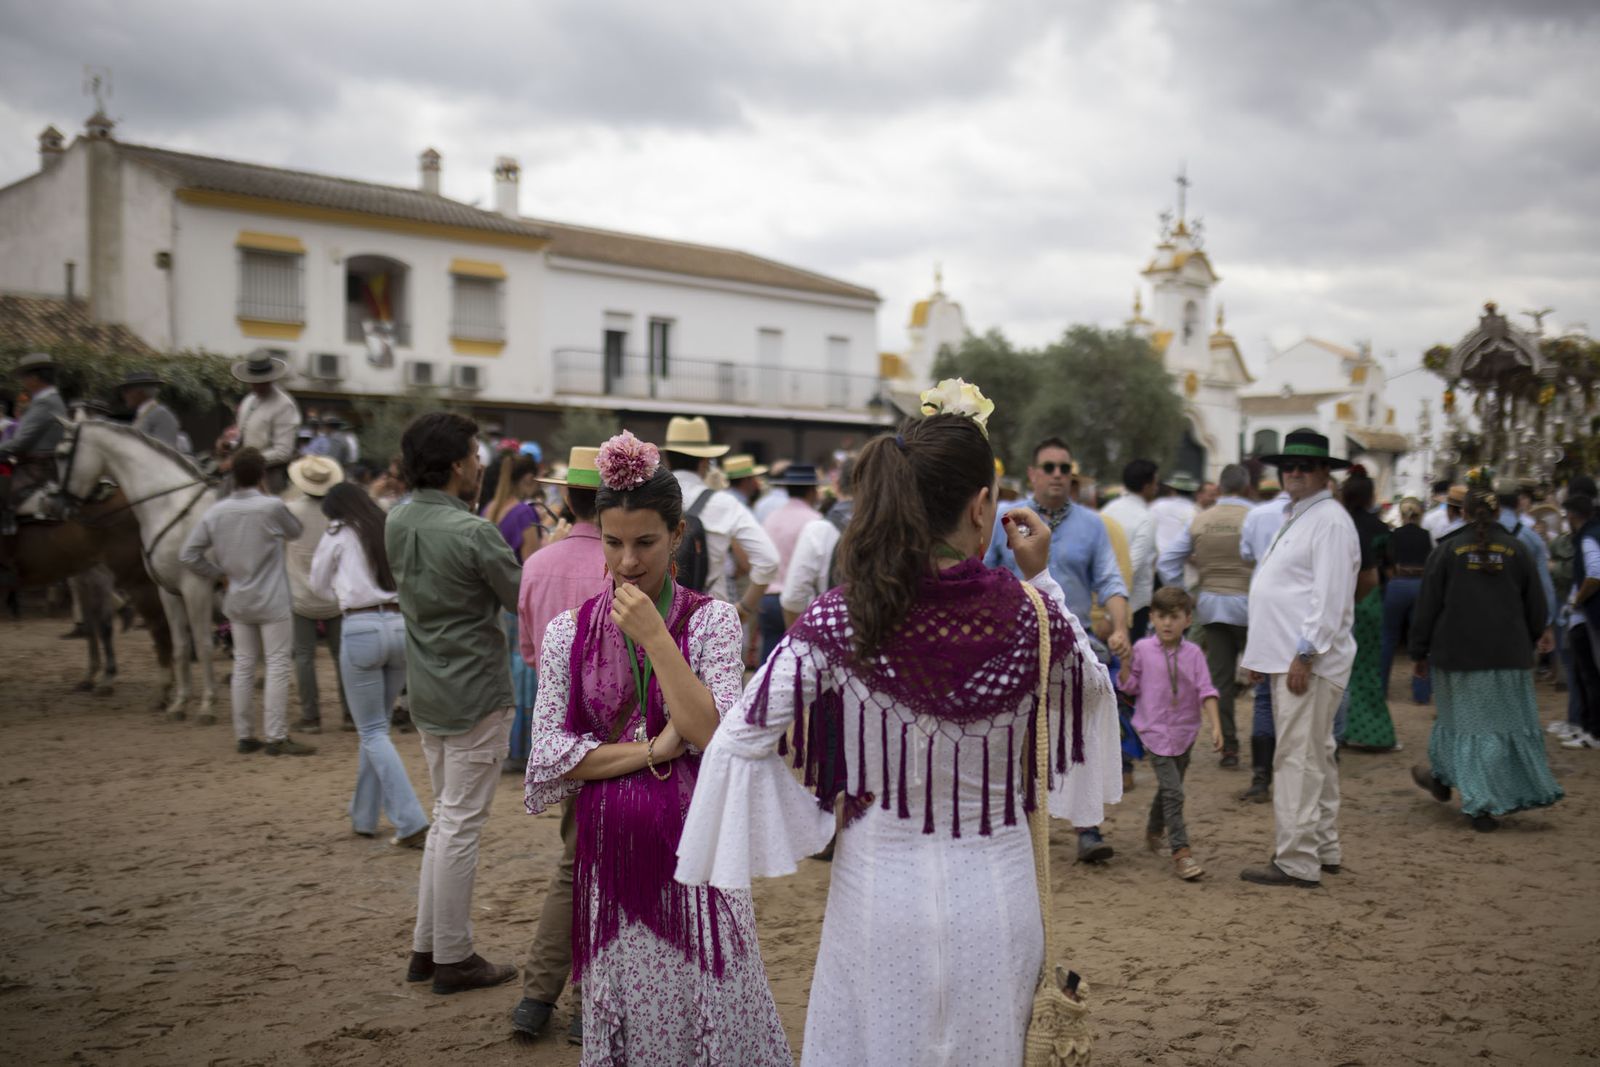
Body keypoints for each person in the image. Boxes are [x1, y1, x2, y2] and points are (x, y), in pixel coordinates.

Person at [675, 386, 1122, 1065]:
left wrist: (815, 812)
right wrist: (1047, 579)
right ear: (982, 506)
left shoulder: (839, 618)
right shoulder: (1036, 616)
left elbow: (739, 739)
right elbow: (1093, 691)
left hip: (877, 894)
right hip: (997, 904)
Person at [522, 431, 791, 1065]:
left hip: (698, 862)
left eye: (645, 543)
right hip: (611, 863)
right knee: (633, 1023)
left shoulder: (713, 622)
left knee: (712, 1008)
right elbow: (550, 759)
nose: (627, 561)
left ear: (677, 537)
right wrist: (653, 752)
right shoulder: (568, 633)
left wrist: (657, 640)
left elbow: (712, 735)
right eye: (613, 543)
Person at [386, 412, 522, 995]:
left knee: (447, 820)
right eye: (474, 454)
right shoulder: (472, 532)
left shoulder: (397, 518)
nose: (480, 464)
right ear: (457, 464)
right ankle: (453, 956)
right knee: (459, 825)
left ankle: (429, 948)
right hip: (474, 691)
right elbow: (521, 598)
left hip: (431, 689)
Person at [508, 446, 611, 1042]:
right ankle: (582, 1002)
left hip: (561, 726)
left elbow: (529, 653)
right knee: (601, 868)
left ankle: (538, 997)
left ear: (568, 499)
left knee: (574, 864)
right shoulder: (629, 563)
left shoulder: (538, 564)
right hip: (617, 735)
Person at [986, 434, 1129, 862]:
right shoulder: (1004, 520)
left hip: (1075, 643)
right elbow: (983, 573)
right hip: (1014, 643)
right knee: (1014, 733)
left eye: (1064, 468)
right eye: (1049, 467)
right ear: (1032, 473)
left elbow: (1111, 581)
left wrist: (1120, 626)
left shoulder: (1093, 525)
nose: (1057, 475)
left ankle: (1088, 827)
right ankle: (1011, 822)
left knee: (1079, 731)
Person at [1408, 470, 1562, 829]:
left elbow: (1427, 606)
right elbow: (1536, 606)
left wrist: (1418, 651)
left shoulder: (1446, 550)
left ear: (1463, 512)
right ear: (1495, 514)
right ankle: (1449, 781)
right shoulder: (1518, 549)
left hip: (1457, 657)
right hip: (1508, 657)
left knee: (1462, 725)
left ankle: (1478, 802)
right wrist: (1535, 636)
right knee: (1500, 727)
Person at [1239, 431, 1359, 888]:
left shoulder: (1328, 520)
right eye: (1288, 465)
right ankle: (1323, 848)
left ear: (1324, 472)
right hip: (1287, 656)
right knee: (1317, 754)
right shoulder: (1301, 516)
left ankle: (1296, 860)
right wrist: (1261, 654)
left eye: (1305, 466)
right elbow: (1283, 593)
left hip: (1308, 660)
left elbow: (1328, 598)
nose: (1294, 472)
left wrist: (1306, 653)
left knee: (1297, 758)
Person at [310, 482, 429, 846]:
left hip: (360, 627)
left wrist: (342, 592)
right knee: (376, 728)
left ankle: (410, 820)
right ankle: (363, 816)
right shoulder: (387, 524)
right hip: (399, 625)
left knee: (373, 730)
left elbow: (317, 585)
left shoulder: (338, 532)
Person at [178, 447, 314, 755]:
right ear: (262, 475)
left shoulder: (216, 511)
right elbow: (295, 531)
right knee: (277, 664)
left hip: (237, 595)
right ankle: (276, 736)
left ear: (233, 476)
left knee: (243, 664)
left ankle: (244, 735)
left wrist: (218, 574)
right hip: (272, 598)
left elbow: (188, 555)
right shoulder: (271, 506)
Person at [1120, 586, 1222, 880]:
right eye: (1161, 616)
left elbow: (1207, 690)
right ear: (1151, 617)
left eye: (1174, 617)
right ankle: (1182, 852)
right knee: (1174, 791)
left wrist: (1216, 726)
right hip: (1153, 732)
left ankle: (1154, 829)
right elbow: (1129, 686)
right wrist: (1125, 661)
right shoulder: (1142, 650)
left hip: (1186, 732)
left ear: (1188, 619)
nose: (1167, 623)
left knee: (1170, 788)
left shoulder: (1194, 655)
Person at [1157, 463, 1254, 767]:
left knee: (1221, 682)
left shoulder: (1201, 520)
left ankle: (1229, 748)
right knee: (1265, 680)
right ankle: (1269, 747)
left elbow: (1167, 561)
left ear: (1221, 487)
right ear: (1247, 486)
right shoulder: (1257, 517)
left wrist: (1184, 595)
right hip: (1254, 607)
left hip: (1212, 607)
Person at [661, 415, 779, 618]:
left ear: (667, 458)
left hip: (656, 613)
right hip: (710, 616)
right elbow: (769, 560)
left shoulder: (650, 498)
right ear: (705, 462)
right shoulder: (724, 504)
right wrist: (745, 608)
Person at [283, 456, 351, 734]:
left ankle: (311, 717)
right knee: (342, 656)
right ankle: (349, 715)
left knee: (304, 656)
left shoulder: (289, 510)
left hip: (300, 595)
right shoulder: (339, 515)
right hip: (335, 597)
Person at [1237, 477, 1291, 802]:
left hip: (1263, 609)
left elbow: (1246, 555)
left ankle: (1260, 776)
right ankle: (1285, 774)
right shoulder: (1315, 516)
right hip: (1293, 615)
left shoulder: (1256, 516)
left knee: (1264, 697)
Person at [1338, 468, 1395, 750]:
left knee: (1337, 668)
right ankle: (1373, 733)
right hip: (1370, 599)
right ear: (1371, 496)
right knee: (1367, 667)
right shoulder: (1380, 529)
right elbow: (1388, 568)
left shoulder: (1338, 524)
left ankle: (1338, 728)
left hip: (1338, 599)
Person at [0, 353, 68, 586]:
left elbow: (21, 442)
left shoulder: (45, 403)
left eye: (25, 377)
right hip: (34, 463)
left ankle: (6, 562)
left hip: (37, 467)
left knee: (3, 497)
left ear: (36, 378)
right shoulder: (48, 401)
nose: (23, 382)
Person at [780, 454, 856, 626]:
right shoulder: (892, 528)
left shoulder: (818, 530)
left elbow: (793, 598)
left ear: (836, 486)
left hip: (832, 630)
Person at [758, 463, 822, 663]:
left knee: (768, 663)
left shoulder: (771, 518)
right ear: (812, 490)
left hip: (767, 596)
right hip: (797, 601)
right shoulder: (815, 521)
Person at [1381, 498, 1434, 706]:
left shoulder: (1393, 536)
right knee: (1420, 638)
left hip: (1398, 582)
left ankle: (1381, 688)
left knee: (1387, 638)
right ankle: (1421, 692)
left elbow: (1385, 561)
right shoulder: (1426, 536)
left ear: (1402, 515)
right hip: (1420, 585)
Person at [1558, 493, 1600, 749]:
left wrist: (1576, 601)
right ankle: (1587, 728)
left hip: (1588, 616)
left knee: (1590, 675)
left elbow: (1595, 574)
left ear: (1573, 515)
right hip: (1589, 615)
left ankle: (1594, 732)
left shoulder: (1587, 537)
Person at [226, 350, 301, 493]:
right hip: (242, 472)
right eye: (253, 382)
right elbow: (243, 436)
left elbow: (283, 451)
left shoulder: (284, 405)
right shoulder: (249, 400)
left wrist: (243, 462)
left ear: (271, 379)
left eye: (262, 382)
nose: (257, 385)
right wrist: (230, 444)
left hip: (269, 475)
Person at [1101, 458, 1159, 639]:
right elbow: (1132, 566)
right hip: (1133, 606)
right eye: (1155, 482)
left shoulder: (1108, 510)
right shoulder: (1146, 518)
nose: (1157, 488)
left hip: (1104, 600)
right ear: (1147, 486)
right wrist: (1114, 613)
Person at [119, 369, 182, 450]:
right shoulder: (144, 414)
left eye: (126, 391)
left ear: (139, 393)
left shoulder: (161, 414)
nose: (124, 395)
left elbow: (165, 452)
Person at [1150, 472, 1200, 558]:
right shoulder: (1196, 511)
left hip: (1160, 558)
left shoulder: (1158, 505)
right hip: (1185, 562)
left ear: (1172, 489)